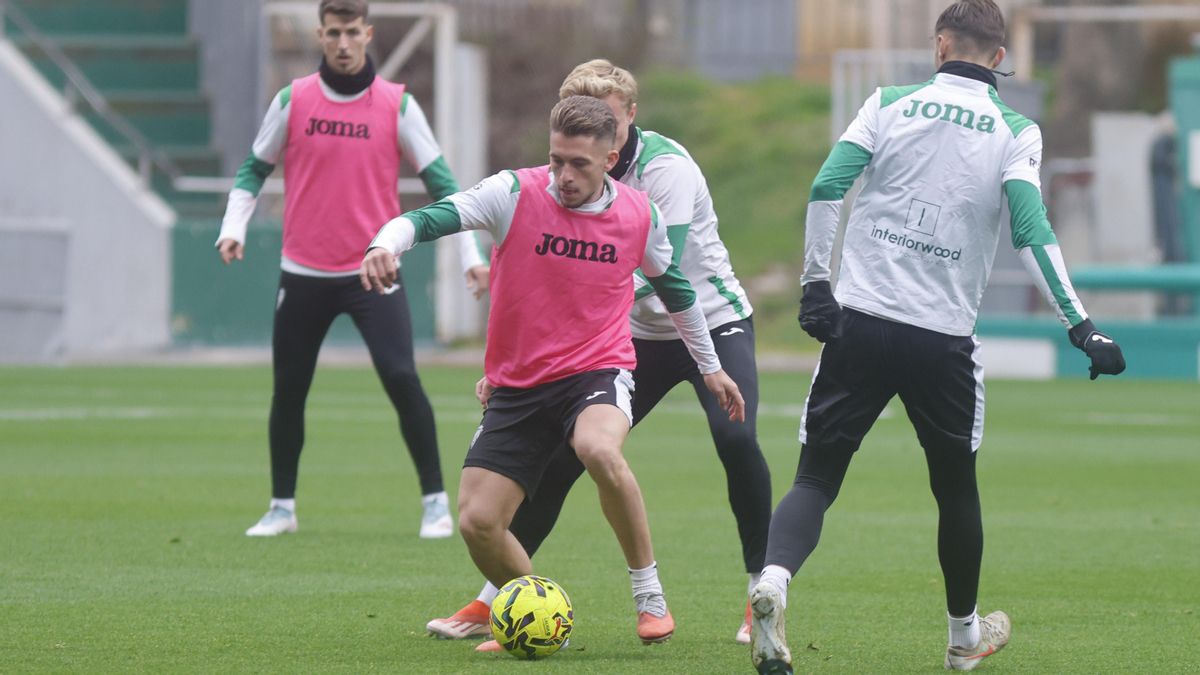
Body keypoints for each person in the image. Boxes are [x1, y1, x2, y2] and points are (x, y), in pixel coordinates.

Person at [748, 1, 1126, 673]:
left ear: (940, 45)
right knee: (955, 490)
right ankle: (962, 637)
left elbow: (828, 184)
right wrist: (1082, 325)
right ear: (999, 57)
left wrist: (815, 285)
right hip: (941, 339)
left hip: (859, 324)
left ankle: (773, 582)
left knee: (816, 477)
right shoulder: (1015, 129)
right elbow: (1030, 228)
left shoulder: (888, 102)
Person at [361, 95, 746, 644]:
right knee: (477, 522)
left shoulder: (640, 213)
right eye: (556, 159)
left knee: (598, 449)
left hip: (597, 370)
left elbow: (676, 289)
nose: (564, 176)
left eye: (579, 164)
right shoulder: (512, 193)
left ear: (609, 159)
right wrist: (384, 243)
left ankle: (649, 594)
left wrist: (710, 368)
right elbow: (428, 218)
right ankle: (543, 615)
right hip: (518, 384)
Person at [215, 0, 462, 539]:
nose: (343, 43)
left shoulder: (397, 104)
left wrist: (473, 256)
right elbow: (254, 168)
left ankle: (436, 503)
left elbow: (444, 185)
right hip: (303, 273)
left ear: (367, 33)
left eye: (352, 32)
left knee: (401, 377)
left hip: (374, 272)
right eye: (333, 33)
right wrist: (234, 226)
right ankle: (282, 507)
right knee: (289, 389)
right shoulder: (293, 99)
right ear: (321, 35)